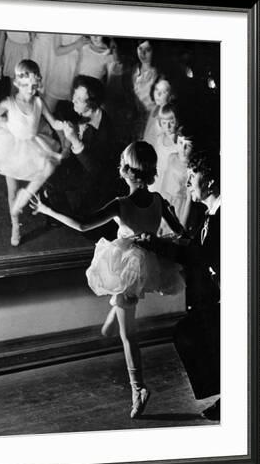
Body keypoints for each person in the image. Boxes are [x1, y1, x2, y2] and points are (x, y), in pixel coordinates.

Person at [31, 141, 186, 418]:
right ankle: (110, 327)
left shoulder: (121, 204)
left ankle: (137, 388)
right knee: (112, 324)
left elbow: (81, 224)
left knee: (128, 336)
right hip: (146, 264)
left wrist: (47, 210)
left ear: (126, 171)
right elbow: (180, 232)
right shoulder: (158, 201)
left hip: (129, 269)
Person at [137, 147, 221, 420]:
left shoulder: (225, 216)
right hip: (212, 300)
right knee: (191, 333)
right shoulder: (210, 215)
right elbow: (195, 247)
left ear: (209, 181)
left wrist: (159, 245)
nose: (187, 184)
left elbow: (197, 255)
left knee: (193, 333)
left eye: (192, 177)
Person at [0, 60, 65, 246]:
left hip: (34, 144)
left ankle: (31, 200)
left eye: (35, 86)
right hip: (11, 147)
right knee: (12, 190)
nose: (32, 90)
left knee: (46, 169)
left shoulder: (39, 102)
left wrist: (62, 125)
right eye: (28, 86)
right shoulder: (9, 103)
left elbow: (53, 122)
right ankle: (15, 224)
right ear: (18, 84)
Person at [44, 75, 122, 229]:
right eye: (74, 95)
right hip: (73, 161)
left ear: (92, 103)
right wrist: (66, 146)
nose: (73, 100)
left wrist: (75, 141)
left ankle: (63, 216)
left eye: (79, 99)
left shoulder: (106, 130)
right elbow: (60, 121)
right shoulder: (73, 109)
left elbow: (95, 169)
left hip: (93, 178)